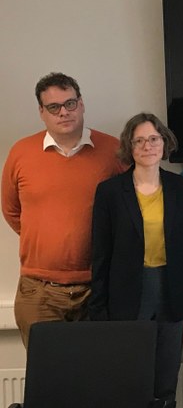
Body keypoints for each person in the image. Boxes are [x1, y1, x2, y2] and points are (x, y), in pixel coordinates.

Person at [1, 72, 124, 348]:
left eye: (69, 103)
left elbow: (130, 211)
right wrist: (49, 238)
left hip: (97, 289)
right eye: (54, 107)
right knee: (49, 380)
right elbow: (11, 210)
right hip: (39, 293)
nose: (63, 112)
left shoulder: (113, 151)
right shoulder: (21, 152)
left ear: (81, 104)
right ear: (41, 112)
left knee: (96, 377)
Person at [90, 113, 183, 405]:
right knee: (129, 381)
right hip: (127, 297)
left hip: (171, 293)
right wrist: (99, 312)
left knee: (165, 383)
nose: (147, 146)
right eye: (138, 141)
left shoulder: (181, 189)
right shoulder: (110, 192)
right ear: (129, 147)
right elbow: (100, 256)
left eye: (153, 139)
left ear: (165, 143)